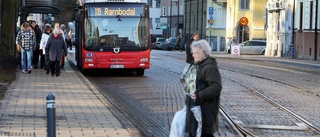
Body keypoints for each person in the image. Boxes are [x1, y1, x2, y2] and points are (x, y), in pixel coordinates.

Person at [185, 39, 222, 137]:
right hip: (196, 109)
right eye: (193, 52)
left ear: (203, 53)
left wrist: (199, 95)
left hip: (204, 110)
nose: (193, 55)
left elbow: (216, 86)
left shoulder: (209, 67)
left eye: (196, 53)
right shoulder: (198, 66)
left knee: (203, 134)